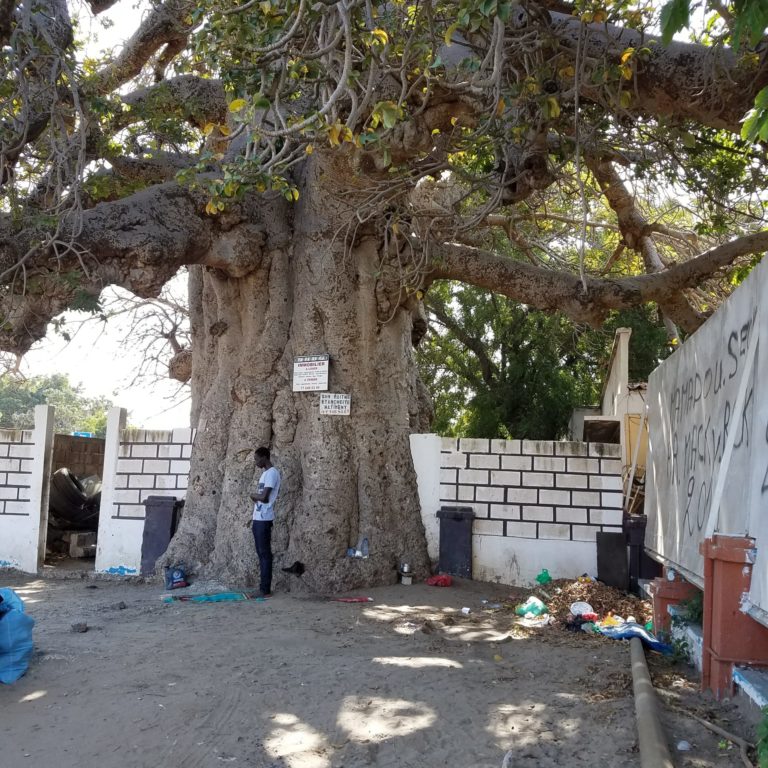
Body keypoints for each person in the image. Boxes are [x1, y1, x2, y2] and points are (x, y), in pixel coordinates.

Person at [250, 447, 281, 597]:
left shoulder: (272, 474)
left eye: (257, 459)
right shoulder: (265, 474)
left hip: (264, 519)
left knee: (264, 554)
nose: (255, 462)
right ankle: (263, 587)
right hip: (258, 518)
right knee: (261, 553)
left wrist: (253, 495)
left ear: (264, 458)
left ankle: (265, 589)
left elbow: (264, 497)